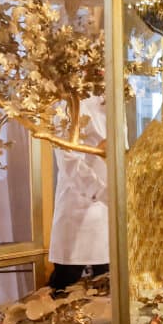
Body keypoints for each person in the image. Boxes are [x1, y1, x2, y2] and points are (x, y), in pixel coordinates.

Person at [48, 96, 109, 290]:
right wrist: (101, 191)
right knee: (66, 287)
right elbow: (68, 160)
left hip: (109, 217)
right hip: (77, 210)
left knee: (108, 291)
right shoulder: (70, 107)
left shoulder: (115, 107)